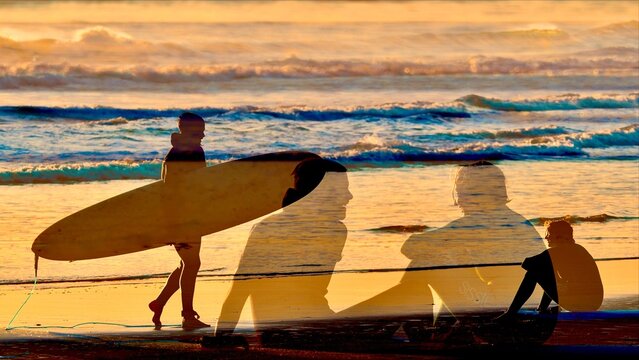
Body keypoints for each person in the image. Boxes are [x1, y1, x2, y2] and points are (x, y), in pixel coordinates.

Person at [214, 158, 351, 338]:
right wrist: (221, 338)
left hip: (285, 330)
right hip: (301, 332)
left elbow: (240, 289)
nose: (349, 196)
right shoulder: (331, 230)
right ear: (320, 193)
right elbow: (241, 289)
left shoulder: (269, 226)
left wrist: (221, 337)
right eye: (341, 190)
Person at [149, 112, 210, 330]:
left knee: (187, 263)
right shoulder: (191, 152)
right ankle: (187, 316)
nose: (203, 135)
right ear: (187, 131)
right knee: (192, 263)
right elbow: (192, 186)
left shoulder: (174, 152)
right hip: (184, 217)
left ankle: (159, 303)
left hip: (177, 215)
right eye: (199, 131)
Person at [499, 220, 603, 318]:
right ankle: (542, 309)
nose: (545, 237)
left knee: (534, 271)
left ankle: (511, 313)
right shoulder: (578, 248)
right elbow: (551, 278)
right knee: (543, 269)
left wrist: (545, 265)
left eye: (548, 234)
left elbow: (526, 263)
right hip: (594, 302)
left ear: (559, 237)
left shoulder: (559, 251)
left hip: (581, 303)